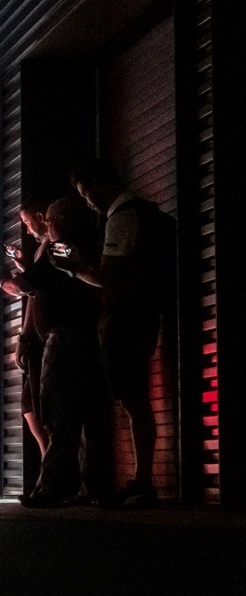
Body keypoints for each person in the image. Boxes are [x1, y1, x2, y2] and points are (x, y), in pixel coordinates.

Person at [65, 159, 177, 508]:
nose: (87, 202)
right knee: (133, 398)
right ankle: (141, 481)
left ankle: (142, 482)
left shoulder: (124, 216)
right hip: (143, 314)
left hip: (128, 318)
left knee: (133, 400)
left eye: (85, 193)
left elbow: (107, 277)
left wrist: (74, 268)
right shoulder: (144, 213)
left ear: (99, 183)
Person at [18, 196, 114, 507]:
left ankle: (54, 487)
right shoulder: (88, 244)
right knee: (91, 416)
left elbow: (30, 283)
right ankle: (94, 487)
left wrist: (9, 278)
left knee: (59, 412)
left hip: (64, 339)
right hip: (87, 338)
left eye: (48, 221)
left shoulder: (61, 248)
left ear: (61, 222)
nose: (45, 226)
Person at [0, 198, 52, 460]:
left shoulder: (53, 248)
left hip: (46, 339)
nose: (27, 231)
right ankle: (47, 463)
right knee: (31, 405)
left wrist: (3, 278)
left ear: (41, 217)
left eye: (28, 223)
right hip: (39, 338)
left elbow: (25, 288)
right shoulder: (43, 250)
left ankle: (50, 465)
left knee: (38, 406)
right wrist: (25, 266)